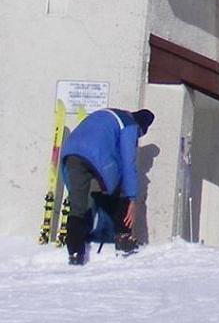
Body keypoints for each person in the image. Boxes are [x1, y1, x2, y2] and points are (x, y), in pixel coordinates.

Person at [58, 107, 153, 266]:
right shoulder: (129, 125)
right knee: (120, 190)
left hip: (71, 152)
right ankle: (124, 240)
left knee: (78, 207)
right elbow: (128, 164)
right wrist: (132, 199)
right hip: (96, 154)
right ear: (140, 126)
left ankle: (75, 252)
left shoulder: (107, 114)